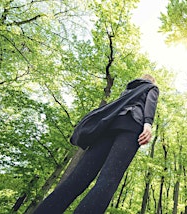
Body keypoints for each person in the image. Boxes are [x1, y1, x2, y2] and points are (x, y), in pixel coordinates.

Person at [34, 74, 159, 213]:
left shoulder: (128, 90)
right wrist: (148, 124)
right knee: (108, 179)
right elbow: (150, 103)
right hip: (131, 126)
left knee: (77, 178)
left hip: (107, 128)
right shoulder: (151, 87)